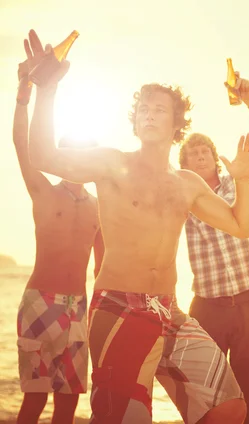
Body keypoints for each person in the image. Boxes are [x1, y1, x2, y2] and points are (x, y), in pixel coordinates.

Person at [25, 29, 249, 424]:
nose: (149, 114)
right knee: (124, 418)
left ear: (176, 124)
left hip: (169, 309)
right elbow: (42, 155)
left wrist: (243, 179)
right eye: (143, 109)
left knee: (229, 407)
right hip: (119, 308)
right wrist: (45, 91)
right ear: (135, 121)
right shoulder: (111, 163)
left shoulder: (187, 183)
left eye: (159, 109)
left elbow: (241, 226)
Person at [14, 42, 104, 424]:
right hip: (39, 303)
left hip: (78, 309)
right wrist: (24, 94)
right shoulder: (44, 192)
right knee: (35, 401)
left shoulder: (100, 207)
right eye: (67, 153)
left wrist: (101, 312)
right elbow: (22, 145)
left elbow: (105, 264)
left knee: (68, 402)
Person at [179, 75, 249, 424]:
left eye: (206, 151)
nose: (201, 155)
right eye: (193, 153)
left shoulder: (243, 182)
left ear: (216, 158)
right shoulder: (182, 197)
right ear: (184, 164)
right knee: (206, 394)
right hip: (209, 309)